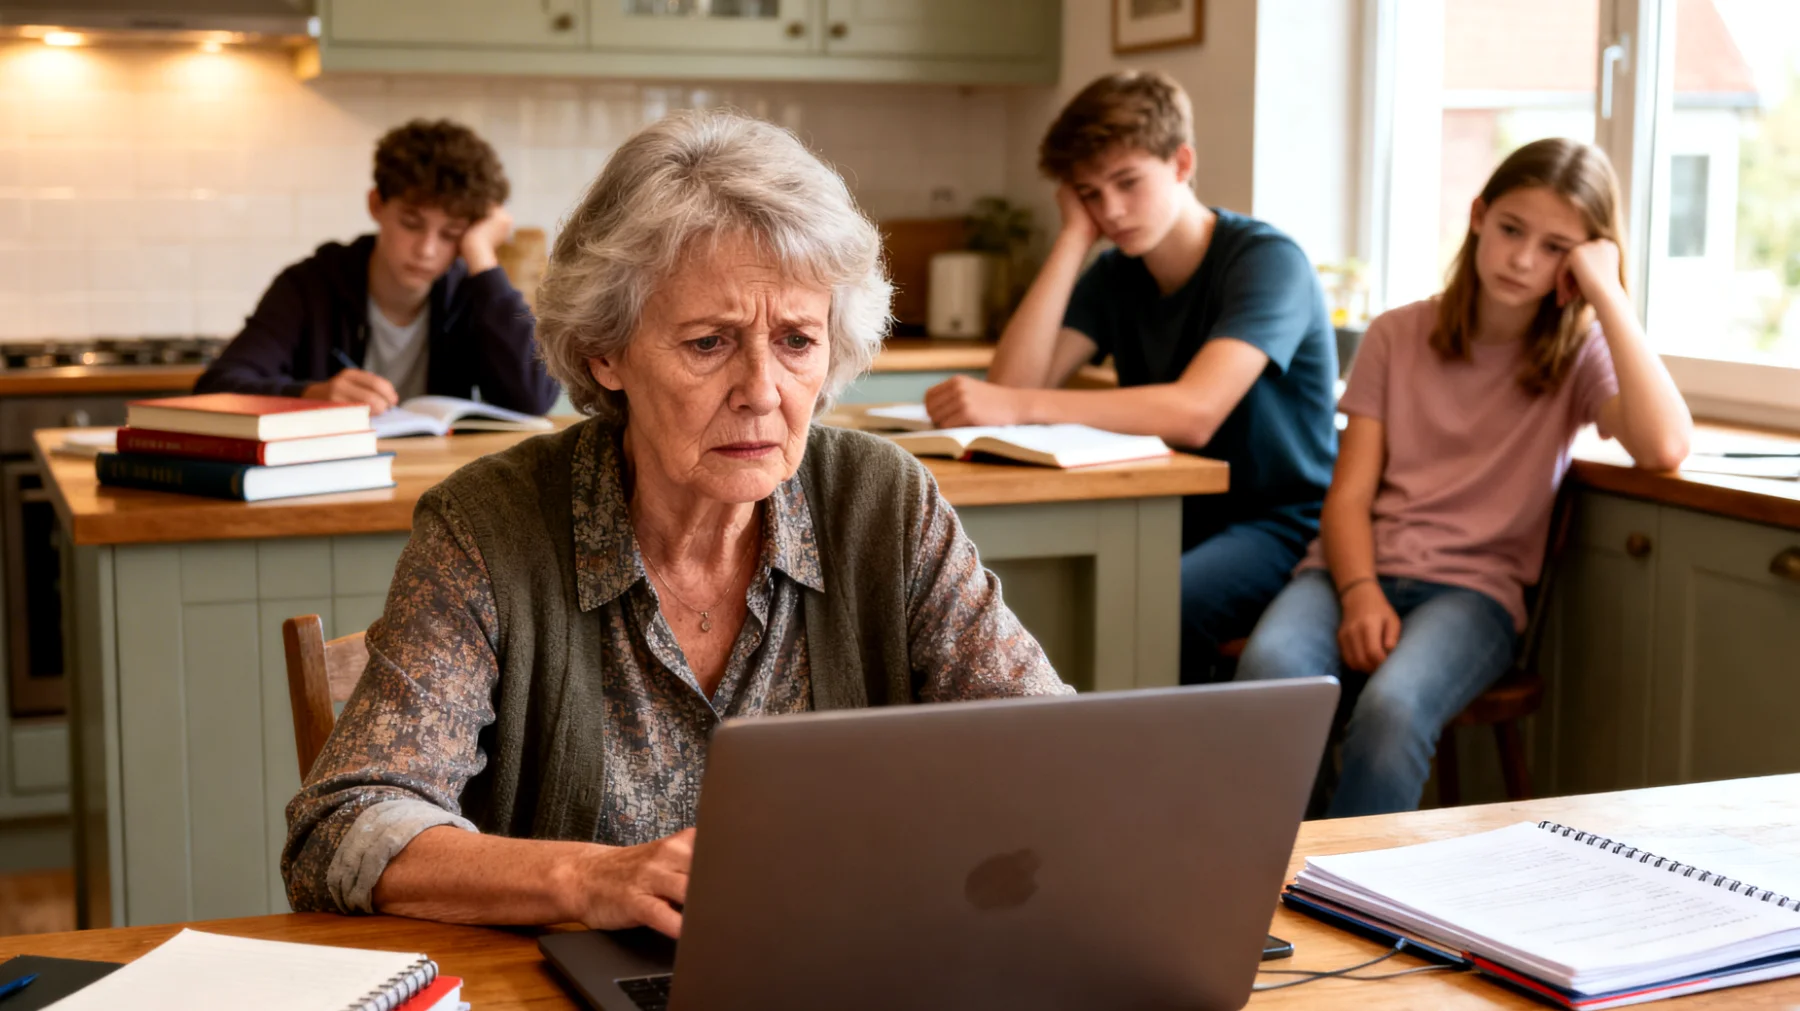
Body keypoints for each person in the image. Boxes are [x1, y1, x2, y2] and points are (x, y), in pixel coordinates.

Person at [281, 110, 1070, 936]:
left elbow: (1051, 758)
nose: (762, 389)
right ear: (605, 352)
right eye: (709, 343)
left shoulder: (887, 505)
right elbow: (343, 826)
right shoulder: (487, 527)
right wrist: (590, 878)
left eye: (797, 340)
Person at [1236, 138, 1692, 817]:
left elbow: (1664, 445)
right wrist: (1359, 593)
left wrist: (1608, 292)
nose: (1522, 259)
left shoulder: (1579, 354)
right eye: (1511, 229)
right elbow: (1349, 498)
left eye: (1555, 248)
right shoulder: (1397, 334)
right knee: (1268, 675)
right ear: (1478, 215)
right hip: (1347, 570)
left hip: (1474, 594)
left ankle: (1345, 898)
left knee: (1393, 708)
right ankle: (1272, 875)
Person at [923, 71, 1338, 684]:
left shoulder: (1266, 261)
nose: (1110, 210)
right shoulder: (1118, 273)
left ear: (1182, 163)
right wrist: (1073, 238)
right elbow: (1010, 381)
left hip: (1278, 523)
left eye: (1127, 183)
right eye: (1089, 193)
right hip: (1164, 508)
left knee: (1149, 604)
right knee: (1045, 595)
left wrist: (1017, 403)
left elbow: (1194, 412)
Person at [194, 119, 559, 416]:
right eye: (411, 224)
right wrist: (312, 393)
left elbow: (533, 399)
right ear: (376, 205)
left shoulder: (472, 294)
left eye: (450, 234)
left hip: (439, 482)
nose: (427, 250)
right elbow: (217, 387)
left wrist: (482, 255)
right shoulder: (310, 285)